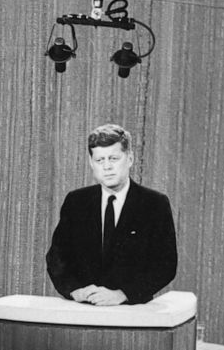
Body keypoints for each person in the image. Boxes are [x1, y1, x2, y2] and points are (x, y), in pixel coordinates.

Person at [45, 124, 177, 305]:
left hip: (133, 311)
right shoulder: (76, 201)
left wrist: (123, 294)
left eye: (114, 158)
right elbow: (57, 257)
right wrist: (75, 290)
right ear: (91, 163)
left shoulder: (154, 204)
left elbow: (166, 265)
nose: (107, 166)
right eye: (100, 160)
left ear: (129, 159)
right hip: (83, 310)